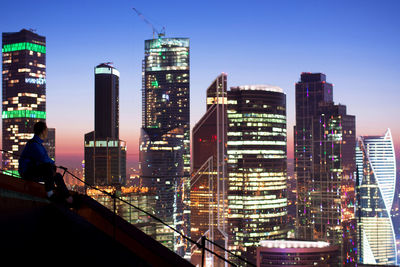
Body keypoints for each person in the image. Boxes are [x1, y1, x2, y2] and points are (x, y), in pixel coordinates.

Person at [18, 121, 73, 204]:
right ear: (43, 131)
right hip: (27, 172)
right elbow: (43, 159)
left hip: (33, 170)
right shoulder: (34, 144)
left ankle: (68, 197)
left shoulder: (38, 144)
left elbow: (45, 158)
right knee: (48, 167)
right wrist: (53, 164)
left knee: (57, 176)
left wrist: (52, 165)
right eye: (46, 130)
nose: (47, 132)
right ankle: (50, 194)